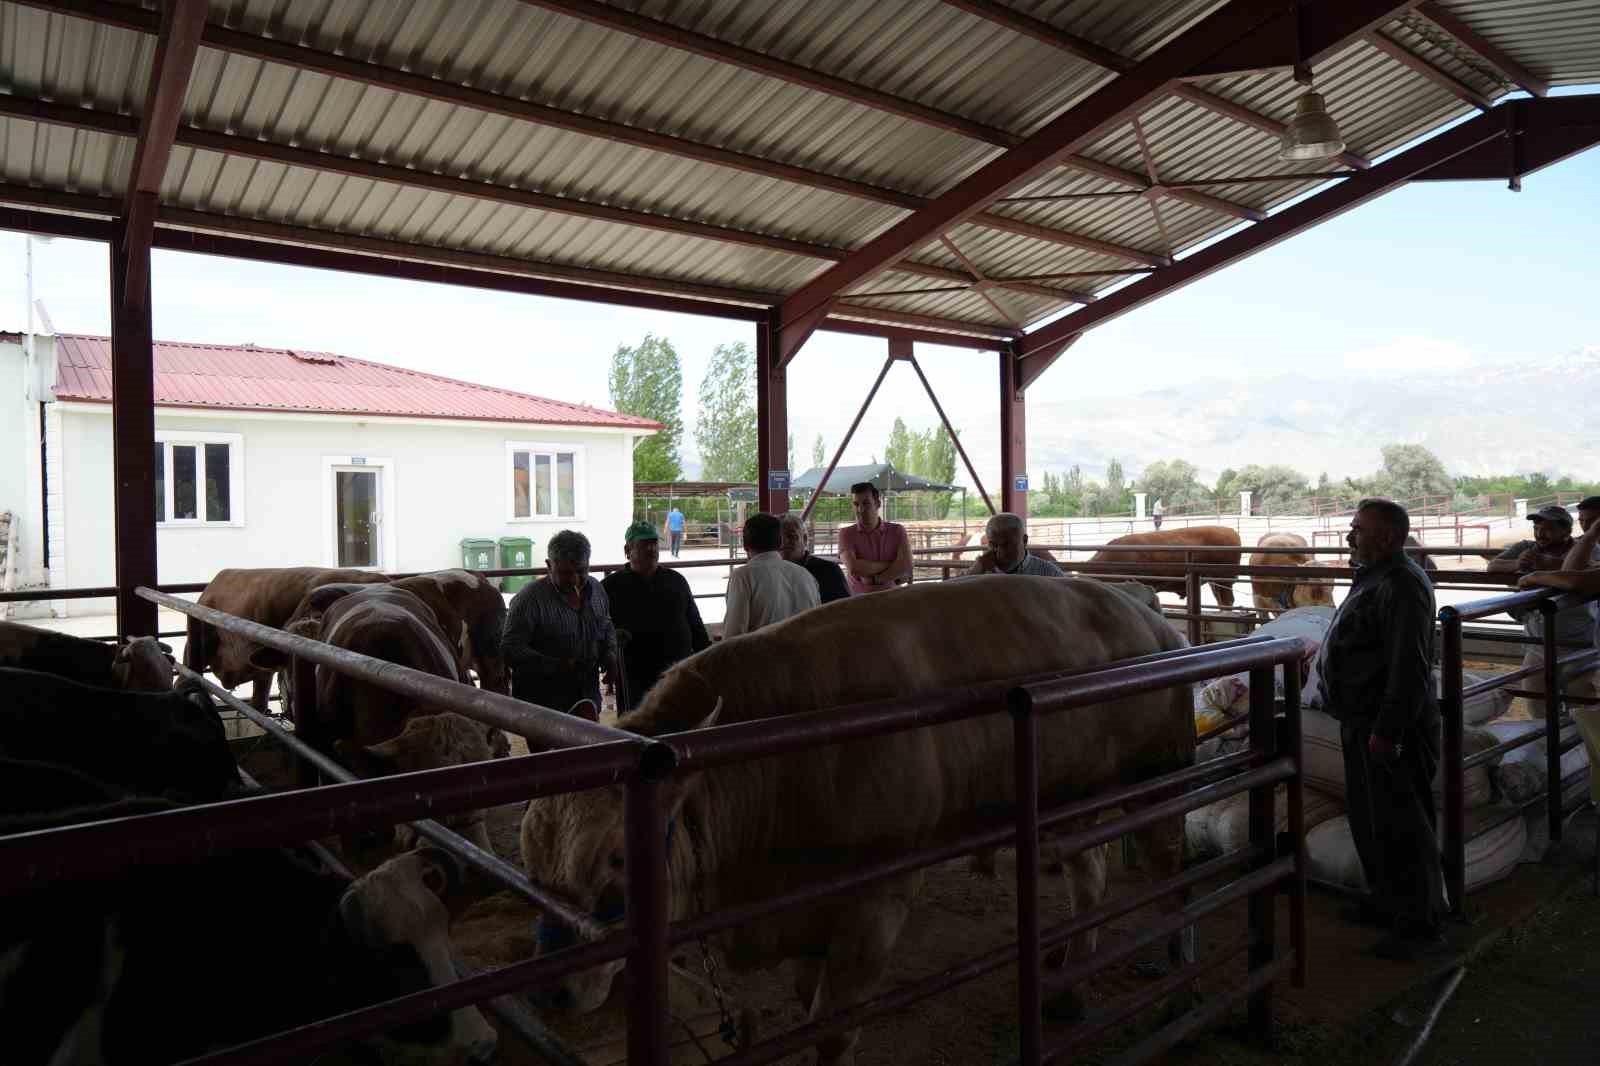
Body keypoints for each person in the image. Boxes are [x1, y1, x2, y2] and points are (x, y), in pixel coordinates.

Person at [1313, 499, 1445, 959]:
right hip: (1361, 718)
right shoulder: (1375, 576)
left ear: (1387, 536)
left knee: (1403, 822)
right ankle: (1386, 902)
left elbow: (1408, 665)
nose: (1350, 537)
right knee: (1371, 818)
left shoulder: (1403, 584)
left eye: (1357, 530)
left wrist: (1389, 730)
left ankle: (1421, 922)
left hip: (1390, 724)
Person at [1488, 505, 1595, 718]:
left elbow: (1583, 573)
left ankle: (1579, 748)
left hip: (1580, 645)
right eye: (1537, 527)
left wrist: (1542, 568)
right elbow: (1493, 566)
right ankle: (1549, 747)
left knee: (1583, 709)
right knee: (1538, 707)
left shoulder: (1585, 548)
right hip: (1538, 645)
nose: (1540, 533)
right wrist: (1517, 563)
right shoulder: (1527, 547)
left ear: (1566, 531)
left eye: (1548, 529)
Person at [501, 529, 618, 719]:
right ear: (549, 565)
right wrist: (559, 665)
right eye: (565, 573)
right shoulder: (529, 600)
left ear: (588, 565)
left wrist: (610, 652)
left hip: (587, 697)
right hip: (542, 706)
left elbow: (605, 625)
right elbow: (509, 649)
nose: (575, 580)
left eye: (581, 571)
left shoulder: (597, 589)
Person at [601, 521, 709, 711]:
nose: (651, 549)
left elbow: (695, 624)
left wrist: (706, 658)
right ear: (628, 550)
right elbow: (600, 630)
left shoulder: (676, 581)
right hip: (634, 675)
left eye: (654, 543)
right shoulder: (610, 587)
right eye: (644, 544)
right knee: (637, 727)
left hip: (676, 671)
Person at [723, 512, 820, 639]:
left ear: (745, 545)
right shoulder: (806, 575)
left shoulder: (743, 576)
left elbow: (733, 636)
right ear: (780, 543)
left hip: (764, 656)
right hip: (805, 655)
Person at [837, 482, 912, 596]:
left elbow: (905, 565)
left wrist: (874, 579)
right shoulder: (846, 533)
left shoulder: (897, 531)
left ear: (877, 503)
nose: (860, 509)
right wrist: (891, 565)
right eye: (856, 504)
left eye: (866, 503)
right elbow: (854, 568)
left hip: (893, 598)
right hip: (858, 601)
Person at [963, 513, 1065, 577]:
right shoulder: (980, 571)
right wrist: (975, 571)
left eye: (1007, 545)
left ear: (1024, 541)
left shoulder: (1048, 573)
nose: (1000, 552)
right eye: (993, 545)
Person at [779, 513, 849, 604]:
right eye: (778, 538)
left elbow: (844, 609)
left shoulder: (829, 571)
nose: (784, 542)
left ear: (804, 539)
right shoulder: (770, 572)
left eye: (791, 536)